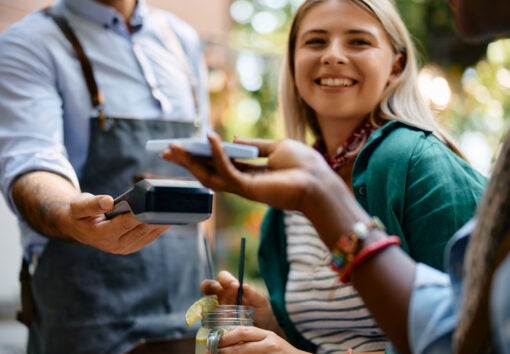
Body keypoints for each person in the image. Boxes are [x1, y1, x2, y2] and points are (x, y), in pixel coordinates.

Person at [162, 0, 510, 351]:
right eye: (315, 42)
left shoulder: (417, 162)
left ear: (396, 65)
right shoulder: (291, 187)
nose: (333, 55)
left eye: (358, 41)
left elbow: (466, 338)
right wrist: (273, 323)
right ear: (294, 62)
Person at [0, 0, 211, 353]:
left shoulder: (182, 40)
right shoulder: (30, 42)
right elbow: (31, 161)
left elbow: (201, 171)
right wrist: (69, 213)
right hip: (85, 323)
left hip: (184, 317)